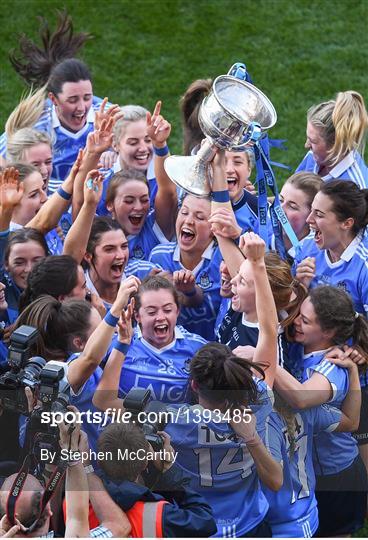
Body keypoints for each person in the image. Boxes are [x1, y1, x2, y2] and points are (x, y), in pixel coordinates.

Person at [93, 232, 283, 537]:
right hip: (247, 524)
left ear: (192, 385)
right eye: (152, 310)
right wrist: (257, 265)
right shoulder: (257, 405)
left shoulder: (178, 420)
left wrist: (122, 341)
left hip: (198, 521)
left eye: (167, 309)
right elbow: (268, 333)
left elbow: (103, 402)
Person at [274, 285, 368, 537]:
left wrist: (263, 360)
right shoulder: (300, 344)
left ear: (328, 331)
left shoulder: (334, 366)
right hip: (311, 472)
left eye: (305, 320)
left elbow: (300, 399)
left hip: (336, 476)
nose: (296, 322)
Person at [0, 11, 119, 191]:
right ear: (53, 99)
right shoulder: (34, 123)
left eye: (87, 97)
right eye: (72, 100)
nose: (82, 107)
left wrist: (117, 151)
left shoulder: (110, 117)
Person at [264, 364, 361, 538]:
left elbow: (274, 480)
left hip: (276, 519)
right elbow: (352, 422)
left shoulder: (255, 421)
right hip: (307, 510)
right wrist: (353, 373)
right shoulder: (308, 410)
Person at [93, 275, 207, 407]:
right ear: (137, 315)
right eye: (152, 312)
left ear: (177, 311)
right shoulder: (119, 344)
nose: (160, 317)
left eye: (167, 310)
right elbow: (86, 361)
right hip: (125, 426)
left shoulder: (197, 348)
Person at [97, 422, 217, 537]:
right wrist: (169, 469)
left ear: (99, 460)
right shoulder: (161, 515)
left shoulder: (83, 503)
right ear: (145, 463)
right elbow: (205, 520)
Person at [294, 180, 368, 316]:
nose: (308, 219)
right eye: (311, 210)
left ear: (346, 223)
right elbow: (288, 309)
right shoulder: (308, 247)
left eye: (319, 214)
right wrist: (300, 286)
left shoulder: (364, 267)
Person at [296, 91, 368, 188]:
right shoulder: (314, 157)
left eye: (313, 141)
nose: (306, 145)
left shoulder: (354, 188)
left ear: (336, 144)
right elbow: (289, 198)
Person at [278, 171, 322, 259]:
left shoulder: (315, 256)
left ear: (311, 215)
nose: (280, 210)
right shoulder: (260, 230)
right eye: (281, 200)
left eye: (292, 206)